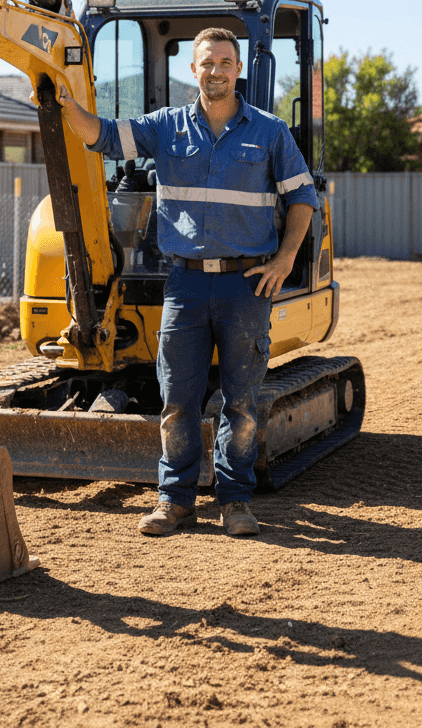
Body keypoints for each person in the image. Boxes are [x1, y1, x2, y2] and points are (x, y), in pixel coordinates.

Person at [57, 27, 318, 537]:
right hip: (186, 286)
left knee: (241, 402)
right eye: (206, 62)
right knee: (177, 399)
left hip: (246, 287)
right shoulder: (167, 127)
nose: (215, 70)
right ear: (193, 70)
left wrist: (286, 260)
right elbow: (104, 136)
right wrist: (65, 104)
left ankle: (235, 501)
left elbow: (303, 198)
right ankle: (174, 501)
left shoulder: (269, 132)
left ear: (237, 69)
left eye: (225, 62)